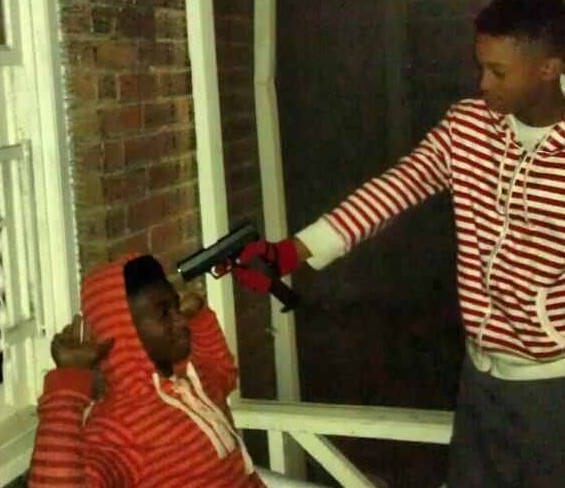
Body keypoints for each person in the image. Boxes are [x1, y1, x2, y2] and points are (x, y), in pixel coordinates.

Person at [234, 1, 565, 486]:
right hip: (479, 377)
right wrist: (291, 252)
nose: (482, 84)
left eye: (498, 72)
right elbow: (397, 187)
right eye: (480, 67)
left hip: (553, 384)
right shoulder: (468, 126)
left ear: (548, 69)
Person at [28, 253, 266, 487]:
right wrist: (68, 379)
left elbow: (223, 373)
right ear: (124, 330)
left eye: (176, 305)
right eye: (164, 313)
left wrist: (199, 318)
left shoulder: (186, 380)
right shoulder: (119, 430)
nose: (181, 320)